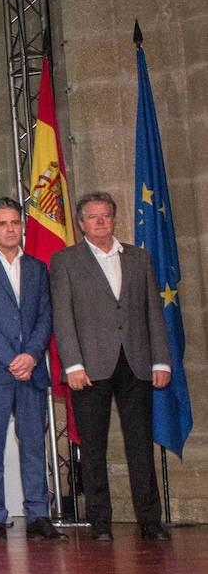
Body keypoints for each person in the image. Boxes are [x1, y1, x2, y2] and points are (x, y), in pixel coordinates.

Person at [50, 192, 173, 542]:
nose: (101, 221)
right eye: (93, 216)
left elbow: (153, 312)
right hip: (88, 367)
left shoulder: (138, 258)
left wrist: (160, 359)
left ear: (114, 220)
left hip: (136, 364)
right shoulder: (65, 261)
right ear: (81, 223)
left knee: (139, 444)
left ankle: (150, 519)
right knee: (93, 448)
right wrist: (72, 363)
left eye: (106, 215)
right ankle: (100, 522)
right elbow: (63, 317)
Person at [0, 197, 67, 542]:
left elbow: (45, 316)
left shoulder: (37, 267)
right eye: (3, 224)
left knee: (34, 443)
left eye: (15, 223)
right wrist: (11, 358)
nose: (11, 229)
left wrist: (32, 355)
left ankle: (39, 513)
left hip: (31, 370)